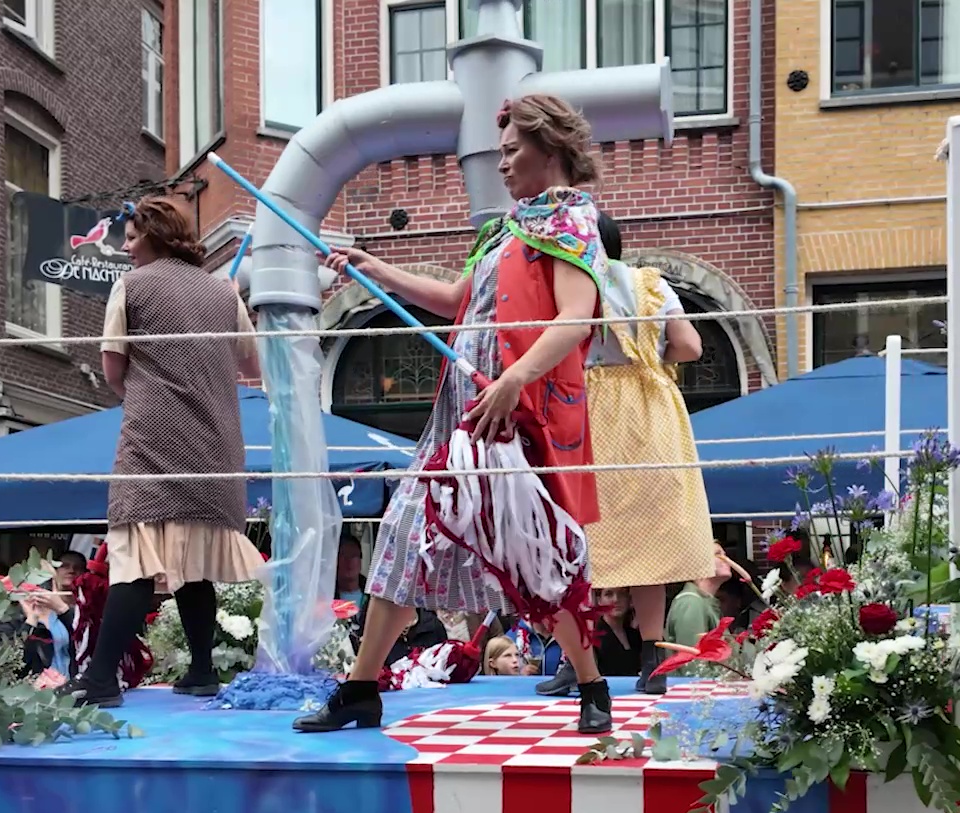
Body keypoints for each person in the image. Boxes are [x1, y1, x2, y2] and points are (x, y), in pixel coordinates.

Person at [297, 94, 614, 735]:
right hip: (458, 418)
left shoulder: (572, 225)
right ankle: (361, 687)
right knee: (399, 538)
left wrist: (514, 379)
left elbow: (576, 317)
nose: (500, 164)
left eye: (510, 150)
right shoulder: (505, 231)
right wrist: (373, 267)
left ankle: (591, 684)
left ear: (548, 149)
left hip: (514, 417)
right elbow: (454, 301)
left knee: (535, 553)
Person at [74, 195, 265, 708]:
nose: (127, 247)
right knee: (194, 558)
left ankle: (99, 680)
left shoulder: (131, 286)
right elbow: (253, 364)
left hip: (153, 437)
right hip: (216, 443)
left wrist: (150, 393)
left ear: (155, 236)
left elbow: (114, 369)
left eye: (133, 237)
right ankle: (202, 670)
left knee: (136, 554)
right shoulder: (223, 293)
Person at [534, 211, 711, 699]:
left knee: (581, 539)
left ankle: (577, 660)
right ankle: (654, 661)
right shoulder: (650, 283)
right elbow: (690, 346)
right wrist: (649, 358)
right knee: (647, 541)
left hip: (587, 410)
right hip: (650, 413)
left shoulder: (569, 286)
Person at [590, 588, 643, 678]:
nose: (616, 599)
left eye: (622, 594)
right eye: (609, 594)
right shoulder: (593, 637)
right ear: (599, 600)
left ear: (629, 599)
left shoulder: (636, 636)